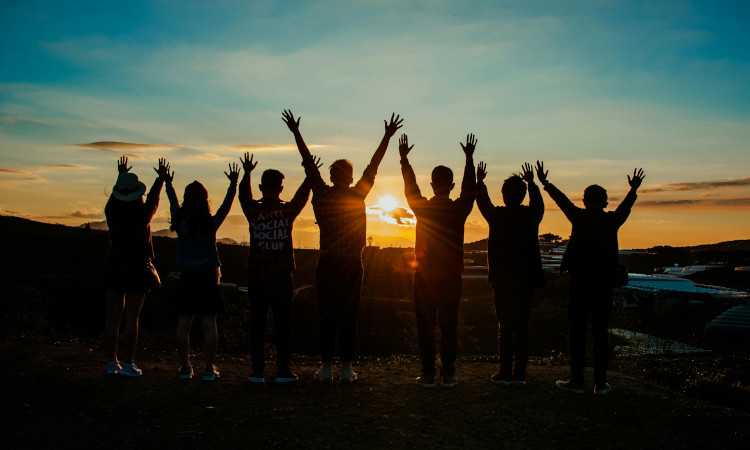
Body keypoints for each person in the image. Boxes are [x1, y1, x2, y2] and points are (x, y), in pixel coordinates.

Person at [282, 109, 403, 382]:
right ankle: (346, 367)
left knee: (327, 316)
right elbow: (374, 165)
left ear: (332, 175)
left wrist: (296, 133)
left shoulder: (322, 193)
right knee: (349, 316)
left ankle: (326, 367)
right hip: (350, 265)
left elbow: (308, 164)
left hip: (328, 263)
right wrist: (386, 136)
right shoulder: (357, 194)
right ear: (349, 177)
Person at [537, 162, 645, 395]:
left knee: (577, 332)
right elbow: (626, 207)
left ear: (584, 200)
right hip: (604, 284)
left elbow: (561, 200)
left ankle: (576, 380)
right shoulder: (611, 220)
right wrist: (633, 189)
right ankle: (600, 382)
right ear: (605, 202)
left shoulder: (579, 216)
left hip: (579, 283)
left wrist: (545, 183)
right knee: (601, 332)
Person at [399, 133, 476, 388]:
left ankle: (429, 374)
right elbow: (470, 191)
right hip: (451, 276)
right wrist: (469, 160)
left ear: (432, 184)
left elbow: (411, 188)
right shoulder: (458, 209)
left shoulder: (422, 208)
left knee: (425, 326)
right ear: (451, 185)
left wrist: (404, 162)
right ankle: (449, 374)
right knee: (449, 326)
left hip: (424, 276)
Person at [238, 152, 321, 383]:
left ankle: (257, 372)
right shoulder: (286, 212)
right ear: (281, 188)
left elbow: (243, 196)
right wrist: (309, 175)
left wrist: (246, 173)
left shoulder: (253, 212)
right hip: (282, 277)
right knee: (283, 326)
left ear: (262, 187)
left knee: (258, 325)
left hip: (257, 276)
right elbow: (302, 197)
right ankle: (283, 371)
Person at [166, 162, 239, 381]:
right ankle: (208, 368)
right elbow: (226, 206)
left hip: (187, 277)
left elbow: (173, 202)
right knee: (209, 324)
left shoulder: (180, 222)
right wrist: (233, 184)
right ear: (205, 200)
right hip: (208, 277)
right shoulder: (210, 223)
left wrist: (168, 183)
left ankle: (185, 368)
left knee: (184, 324)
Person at [476, 162, 545, 386]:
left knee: (504, 327)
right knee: (522, 326)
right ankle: (521, 373)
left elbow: (482, 202)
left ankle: (505, 372)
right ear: (523, 195)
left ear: (504, 195)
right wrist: (532, 183)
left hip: (503, 280)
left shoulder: (497, 216)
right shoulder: (531, 215)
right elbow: (539, 205)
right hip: (526, 279)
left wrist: (480, 182)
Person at [103, 156, 171, 377]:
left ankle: (112, 362)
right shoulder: (142, 214)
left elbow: (117, 198)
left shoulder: (111, 210)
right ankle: (129, 362)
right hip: (137, 266)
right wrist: (161, 178)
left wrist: (120, 175)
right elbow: (153, 199)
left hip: (114, 263)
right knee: (132, 317)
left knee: (113, 317)